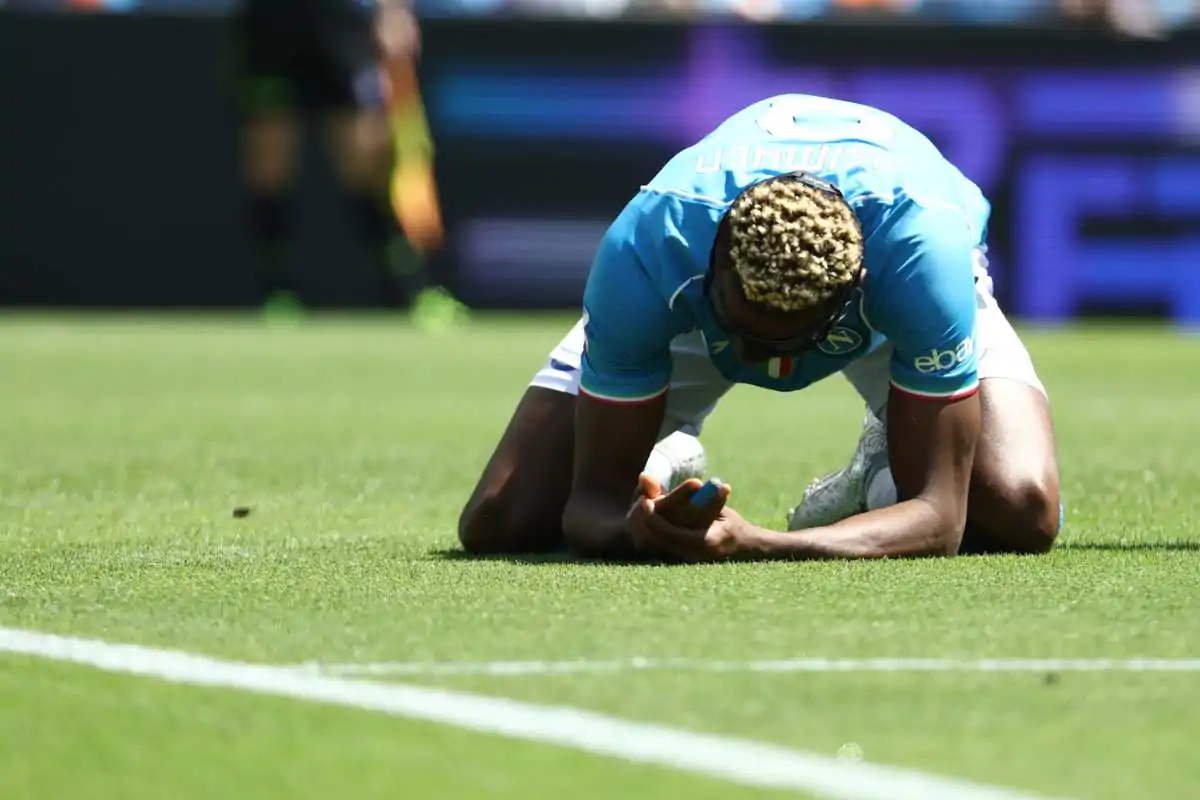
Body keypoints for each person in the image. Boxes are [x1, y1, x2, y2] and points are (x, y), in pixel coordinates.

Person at [458, 93, 1062, 562]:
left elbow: (941, 516)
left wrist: (763, 543)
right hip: (711, 304)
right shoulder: (651, 246)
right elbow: (591, 504)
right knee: (502, 518)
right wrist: (637, 527)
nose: (769, 366)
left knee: (1019, 509)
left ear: (851, 291)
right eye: (744, 334)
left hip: (885, 301)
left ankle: (876, 471)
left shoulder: (921, 259)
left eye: (790, 343)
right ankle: (663, 454)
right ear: (714, 258)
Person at [228, 0, 464, 321]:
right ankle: (276, 293)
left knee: (365, 164)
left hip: (338, 23)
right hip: (271, 22)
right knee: (269, 165)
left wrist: (393, 10)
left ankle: (408, 291)